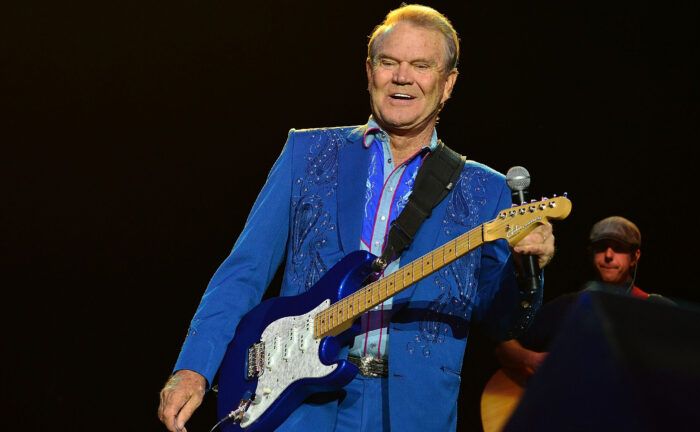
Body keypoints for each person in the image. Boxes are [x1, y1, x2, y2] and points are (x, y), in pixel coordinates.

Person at [157, 5, 556, 432]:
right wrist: (193, 369)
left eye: (421, 66)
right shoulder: (306, 154)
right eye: (389, 63)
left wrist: (524, 270)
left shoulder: (485, 190)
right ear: (370, 72)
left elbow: (502, 322)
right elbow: (244, 271)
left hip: (413, 414)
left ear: (448, 84)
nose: (403, 77)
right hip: (298, 407)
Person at [495, 215, 672, 381]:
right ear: (591, 253)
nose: (608, 255)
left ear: (635, 257)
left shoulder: (656, 309)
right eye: (601, 248)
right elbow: (504, 341)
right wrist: (532, 359)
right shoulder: (569, 305)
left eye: (618, 248)